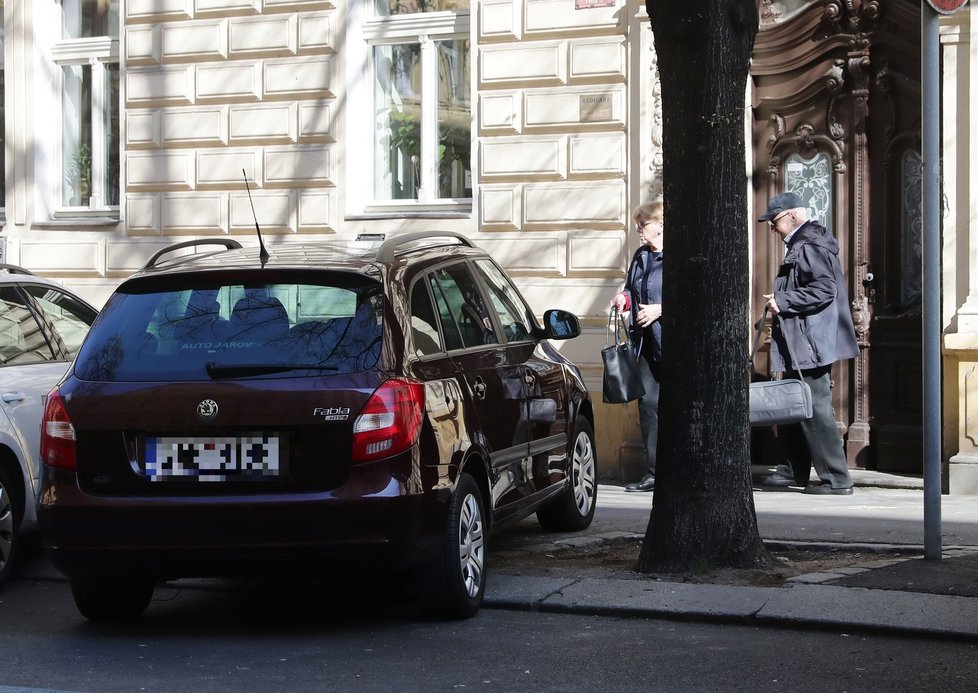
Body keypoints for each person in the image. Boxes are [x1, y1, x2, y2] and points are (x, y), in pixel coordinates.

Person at [757, 192, 859, 495]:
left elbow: (825, 289)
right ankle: (792, 471)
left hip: (809, 341)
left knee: (814, 408)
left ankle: (837, 479)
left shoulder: (808, 245)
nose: (772, 229)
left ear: (792, 216)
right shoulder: (804, 243)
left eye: (775, 222)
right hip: (802, 339)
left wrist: (783, 300)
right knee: (793, 403)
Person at [613, 200, 664, 492]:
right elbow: (632, 288)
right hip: (645, 343)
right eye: (638, 225)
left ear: (660, 225)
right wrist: (624, 299)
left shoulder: (677, 256)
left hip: (673, 343)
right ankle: (654, 471)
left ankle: (681, 469)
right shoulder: (641, 256)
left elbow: (693, 298)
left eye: (642, 225)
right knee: (648, 405)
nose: (638, 231)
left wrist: (661, 309)